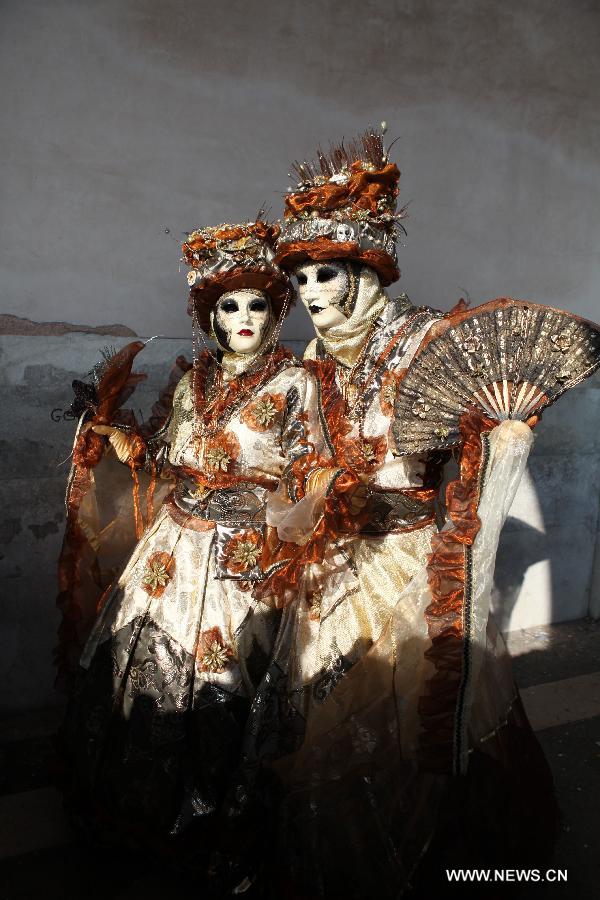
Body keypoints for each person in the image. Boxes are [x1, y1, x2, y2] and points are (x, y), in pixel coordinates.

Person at [225, 130, 600, 898]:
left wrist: (500, 449)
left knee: (418, 703)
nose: (313, 294)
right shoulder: (317, 363)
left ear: (366, 271)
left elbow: (478, 451)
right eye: (300, 280)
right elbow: (296, 451)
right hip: (337, 556)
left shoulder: (425, 338)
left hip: (414, 561)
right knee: (320, 702)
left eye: (327, 273)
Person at [58, 219, 330, 868]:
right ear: (209, 315)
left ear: (274, 312)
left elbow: (313, 473)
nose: (241, 317)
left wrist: (292, 537)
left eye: (256, 304)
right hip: (172, 548)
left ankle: (214, 819)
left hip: (244, 555)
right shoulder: (192, 382)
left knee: (226, 679)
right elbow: (166, 456)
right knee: (135, 664)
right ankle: (145, 809)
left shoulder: (296, 385)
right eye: (227, 305)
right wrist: (123, 441)